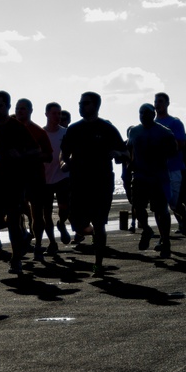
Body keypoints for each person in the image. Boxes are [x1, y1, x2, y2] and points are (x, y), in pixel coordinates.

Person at [61, 91, 128, 274]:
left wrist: (118, 154)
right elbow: (63, 154)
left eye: (86, 103)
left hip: (101, 181)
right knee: (76, 224)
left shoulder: (107, 128)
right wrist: (64, 164)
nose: (81, 106)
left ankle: (98, 263)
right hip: (78, 182)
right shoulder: (73, 129)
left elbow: (125, 153)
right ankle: (89, 233)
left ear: (96, 106)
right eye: (80, 103)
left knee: (99, 223)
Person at [0, 91, 42, 274]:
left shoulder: (17, 127)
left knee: (13, 219)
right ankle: (22, 232)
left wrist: (20, 154)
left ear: (7, 106)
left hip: (15, 179)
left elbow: (36, 150)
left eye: (0, 105)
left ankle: (16, 260)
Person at [127, 103, 178, 257]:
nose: (143, 115)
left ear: (153, 114)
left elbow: (174, 151)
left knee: (161, 210)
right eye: (141, 113)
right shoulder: (134, 131)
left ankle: (165, 241)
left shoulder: (164, 132)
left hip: (158, 177)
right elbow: (129, 150)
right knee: (137, 207)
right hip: (140, 176)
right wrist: (129, 165)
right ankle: (147, 230)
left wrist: (159, 154)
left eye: (146, 113)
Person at [13, 98, 54, 261]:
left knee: (37, 214)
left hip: (35, 177)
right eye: (17, 109)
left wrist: (30, 154)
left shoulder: (38, 131)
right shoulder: (10, 129)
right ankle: (22, 237)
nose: (19, 111)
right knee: (14, 211)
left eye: (23, 109)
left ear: (30, 111)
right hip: (15, 177)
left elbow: (49, 156)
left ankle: (37, 245)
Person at [153, 92, 186, 235]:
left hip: (174, 168)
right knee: (159, 206)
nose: (158, 104)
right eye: (156, 101)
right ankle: (164, 238)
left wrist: (163, 148)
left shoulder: (175, 122)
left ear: (167, 103)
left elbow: (181, 143)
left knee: (174, 203)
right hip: (157, 170)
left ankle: (185, 216)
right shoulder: (151, 125)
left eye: (161, 101)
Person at [42, 102, 72, 254]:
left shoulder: (66, 133)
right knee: (46, 213)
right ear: (46, 114)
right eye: (54, 113)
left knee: (64, 207)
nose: (57, 116)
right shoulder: (41, 133)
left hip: (63, 176)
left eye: (59, 113)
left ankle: (62, 223)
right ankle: (52, 242)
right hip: (45, 178)